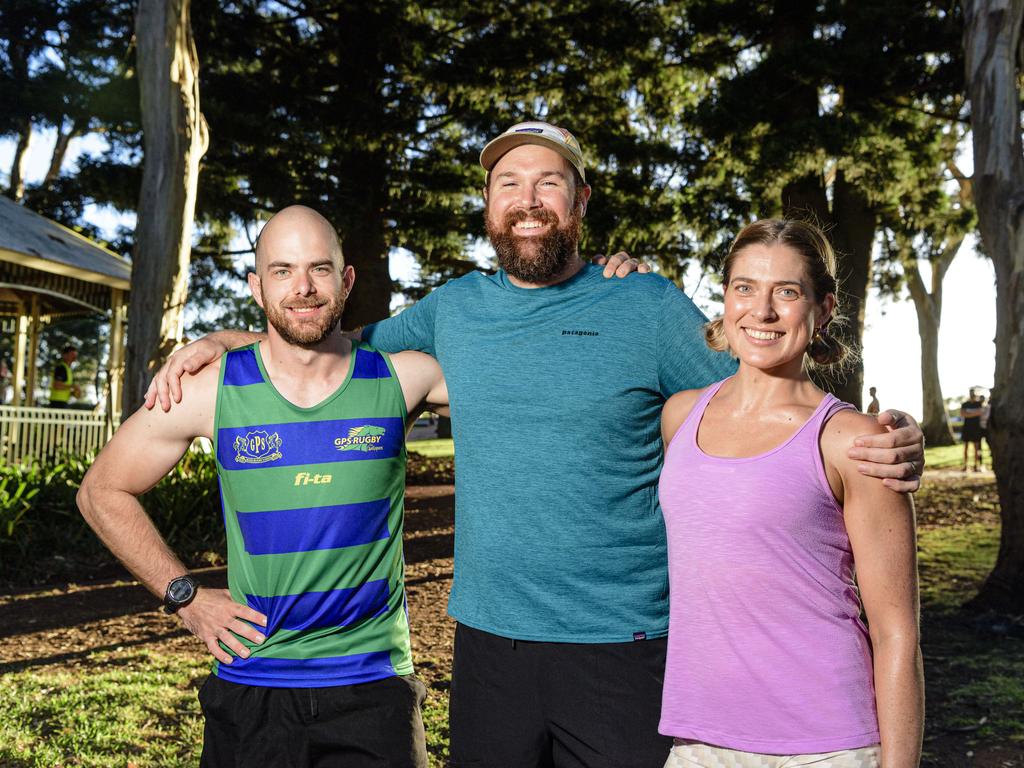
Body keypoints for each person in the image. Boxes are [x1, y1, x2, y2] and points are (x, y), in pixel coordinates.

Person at [146, 121, 926, 768]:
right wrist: (227, 336)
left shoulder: (644, 304)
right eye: (507, 183)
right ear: (487, 205)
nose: (527, 200)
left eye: (548, 182)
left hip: (623, 645)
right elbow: (325, 346)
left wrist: (875, 439)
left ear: (581, 200)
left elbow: (771, 384)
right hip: (490, 649)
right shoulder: (451, 312)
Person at [78, 206, 448, 767]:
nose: (302, 287)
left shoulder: (403, 377)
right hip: (254, 685)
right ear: (256, 286)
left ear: (346, 281)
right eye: (282, 271)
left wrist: (601, 286)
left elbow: (520, 376)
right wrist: (186, 600)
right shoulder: (211, 389)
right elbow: (101, 491)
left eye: (320, 269)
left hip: (374, 686)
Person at [659, 219, 922, 768]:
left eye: (787, 291)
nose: (763, 311)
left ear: (823, 308)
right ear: (725, 298)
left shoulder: (855, 440)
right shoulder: (680, 416)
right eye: (745, 287)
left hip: (826, 747)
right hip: (699, 741)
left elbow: (896, 631)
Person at [961, 388, 984, 472]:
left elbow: (980, 412)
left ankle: (975, 465)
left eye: (973, 394)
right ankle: (965, 465)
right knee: (966, 448)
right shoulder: (965, 404)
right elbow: (962, 414)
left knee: (976, 448)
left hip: (976, 428)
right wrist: (974, 414)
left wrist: (968, 414)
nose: (972, 396)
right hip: (967, 428)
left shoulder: (978, 404)